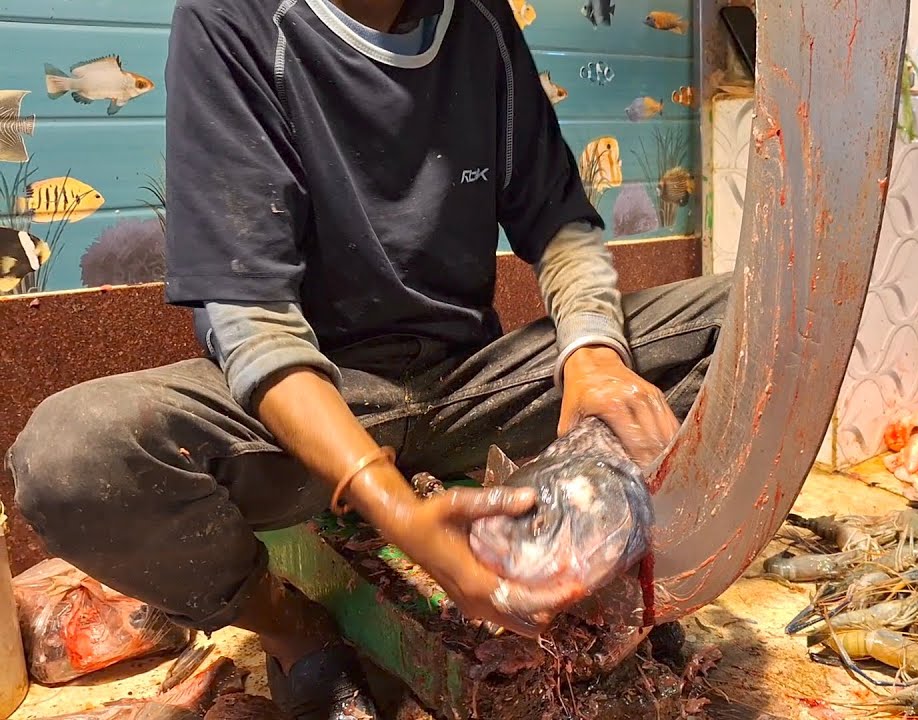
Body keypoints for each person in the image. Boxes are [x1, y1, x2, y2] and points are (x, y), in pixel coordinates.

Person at [5, 0, 727, 717]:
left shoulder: (478, 22)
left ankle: (586, 547)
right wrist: (392, 506)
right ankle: (292, 629)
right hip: (322, 403)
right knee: (73, 453)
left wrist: (593, 348)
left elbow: (560, 222)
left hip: (470, 382)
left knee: (746, 316)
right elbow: (256, 328)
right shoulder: (236, 20)